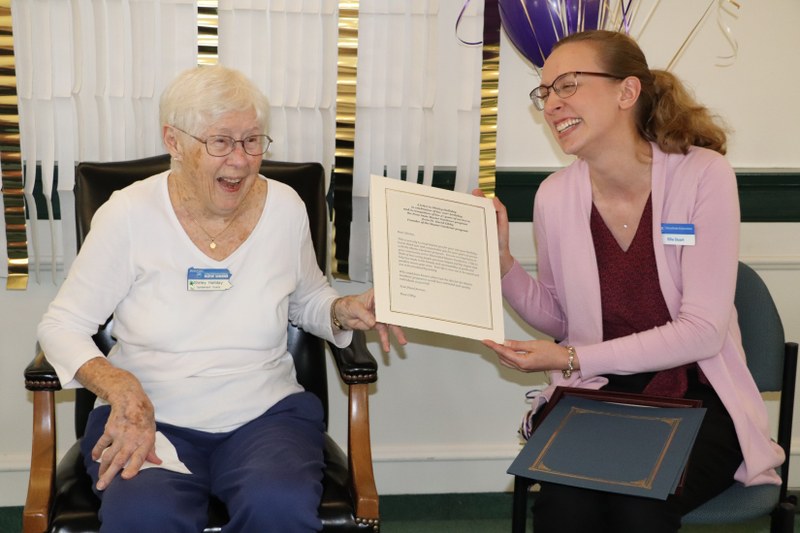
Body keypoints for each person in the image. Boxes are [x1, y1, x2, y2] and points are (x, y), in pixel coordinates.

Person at [37, 64, 405, 533]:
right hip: (150, 413)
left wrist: (342, 310)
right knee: (144, 517)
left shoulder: (286, 207)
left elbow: (306, 299)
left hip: (265, 415)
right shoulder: (129, 214)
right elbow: (61, 324)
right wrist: (120, 388)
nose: (241, 159)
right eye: (221, 142)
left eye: (253, 140)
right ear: (174, 140)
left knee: (280, 508)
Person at [477, 30, 784, 532]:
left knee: (638, 509)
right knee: (563, 510)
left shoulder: (704, 175)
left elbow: (703, 331)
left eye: (568, 85)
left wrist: (572, 357)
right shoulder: (554, 196)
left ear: (627, 92)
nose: (552, 104)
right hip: (599, 393)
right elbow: (560, 316)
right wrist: (503, 262)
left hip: (698, 395)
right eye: (545, 92)